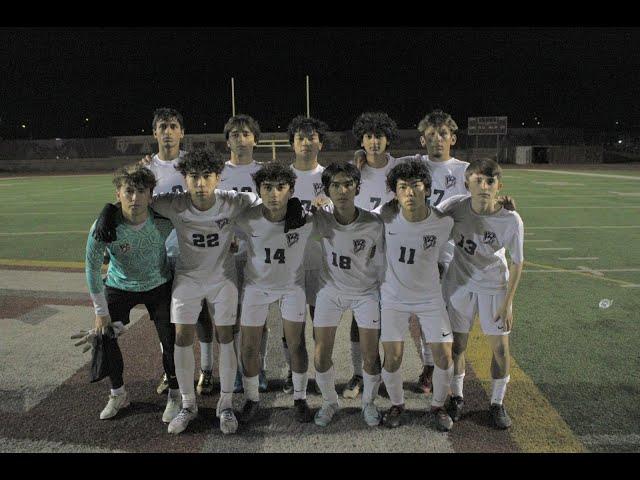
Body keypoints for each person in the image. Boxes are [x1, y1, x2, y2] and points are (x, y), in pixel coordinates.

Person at [78, 164, 180, 423]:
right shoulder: (104, 227)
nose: (135, 198)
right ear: (118, 193)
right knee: (105, 335)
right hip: (119, 286)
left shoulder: (163, 222)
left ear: (151, 194)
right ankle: (118, 393)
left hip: (158, 285)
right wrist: (100, 313)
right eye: (129, 191)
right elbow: (90, 268)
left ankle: (175, 394)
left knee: (171, 341)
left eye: (141, 191)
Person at [437, 158, 524, 429]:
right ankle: (458, 397)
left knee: (500, 349)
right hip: (460, 284)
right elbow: (426, 221)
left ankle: (497, 403)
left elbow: (518, 262)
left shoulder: (510, 219)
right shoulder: (454, 207)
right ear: (467, 183)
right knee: (458, 346)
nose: (484, 186)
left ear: (499, 186)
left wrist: (508, 303)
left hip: (494, 286)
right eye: (478, 180)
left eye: (490, 181)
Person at [376, 160, 456, 431]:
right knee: (393, 357)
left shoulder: (443, 222)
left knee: (445, 356)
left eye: (415, 186)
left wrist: (502, 205)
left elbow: (473, 212)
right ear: (395, 193)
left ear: (427, 189)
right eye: (402, 187)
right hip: (393, 298)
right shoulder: (383, 217)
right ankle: (397, 405)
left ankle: (438, 406)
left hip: (431, 298)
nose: (409, 192)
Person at [142, 107, 216, 398]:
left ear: (182, 132)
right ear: (155, 133)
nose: (168, 131)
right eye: (162, 126)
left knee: (201, 316)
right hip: (160, 255)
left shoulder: (193, 164)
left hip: (193, 251)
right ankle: (170, 371)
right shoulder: (146, 171)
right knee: (165, 318)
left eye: (173, 126)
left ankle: (207, 370)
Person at [234, 162, 315, 424]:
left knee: (297, 344)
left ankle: (300, 397)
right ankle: (251, 398)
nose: (274, 194)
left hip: (292, 287)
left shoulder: (305, 218)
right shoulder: (247, 218)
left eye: (281, 187)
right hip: (256, 287)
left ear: (291, 190)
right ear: (258, 190)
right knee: (248, 345)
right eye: (267, 188)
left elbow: (334, 216)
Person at [311, 161, 385, 427]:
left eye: (348, 184)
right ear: (327, 190)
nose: (342, 190)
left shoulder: (374, 223)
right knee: (320, 355)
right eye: (335, 185)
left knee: (370, 356)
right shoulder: (320, 217)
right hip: (330, 291)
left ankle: (369, 403)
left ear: (357, 187)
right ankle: (330, 402)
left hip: (365, 293)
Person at [343, 112, 399, 400]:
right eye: (368, 137)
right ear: (361, 141)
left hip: (395, 257)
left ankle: (387, 376)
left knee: (390, 317)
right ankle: (359, 373)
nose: (374, 142)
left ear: (388, 139)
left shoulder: (401, 168)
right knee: (360, 317)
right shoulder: (355, 171)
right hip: (362, 256)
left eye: (379, 136)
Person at [216, 114, 270, 395]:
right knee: (233, 315)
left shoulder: (265, 172)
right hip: (227, 254)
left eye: (246, 134)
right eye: (235, 135)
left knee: (257, 314)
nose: (241, 139)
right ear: (227, 142)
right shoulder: (218, 172)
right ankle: (239, 369)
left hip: (258, 254)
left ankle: (257, 367)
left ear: (255, 140)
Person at [280, 115, 331, 394]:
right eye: (300, 138)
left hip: (322, 262)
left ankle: (322, 372)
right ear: (292, 144)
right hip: (289, 265)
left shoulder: (331, 177)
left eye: (312, 137)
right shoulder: (280, 178)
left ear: (320, 143)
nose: (306, 142)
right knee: (292, 328)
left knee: (319, 324)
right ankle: (293, 371)